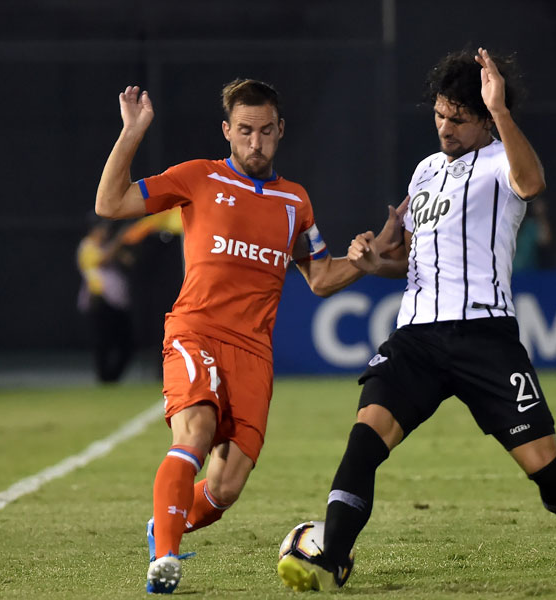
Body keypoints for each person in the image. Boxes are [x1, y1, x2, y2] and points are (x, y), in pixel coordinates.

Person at [277, 48, 556, 592]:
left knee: (545, 464)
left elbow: (533, 183)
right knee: (365, 439)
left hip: (484, 338)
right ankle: (333, 554)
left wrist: (499, 111)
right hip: (416, 339)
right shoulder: (425, 170)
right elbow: (416, 257)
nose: (444, 128)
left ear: (483, 118)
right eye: (439, 115)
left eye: (458, 118)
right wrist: (375, 261)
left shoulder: (503, 161)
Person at [95, 79, 399, 594]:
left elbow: (321, 277)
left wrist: (368, 263)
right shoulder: (198, 178)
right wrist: (132, 133)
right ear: (226, 131)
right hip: (196, 330)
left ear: (280, 130)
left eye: (264, 131)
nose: (255, 143)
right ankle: (165, 558)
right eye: (244, 131)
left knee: (224, 488)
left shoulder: (294, 202)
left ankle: (163, 526)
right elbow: (111, 202)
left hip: (254, 354)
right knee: (194, 431)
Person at [77, 218, 135, 383]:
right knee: (103, 343)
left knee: (126, 344)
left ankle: (112, 378)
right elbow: (103, 259)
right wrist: (119, 239)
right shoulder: (87, 246)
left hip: (118, 302)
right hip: (100, 301)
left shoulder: (108, 246)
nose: (105, 232)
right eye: (102, 229)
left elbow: (129, 261)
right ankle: (105, 379)